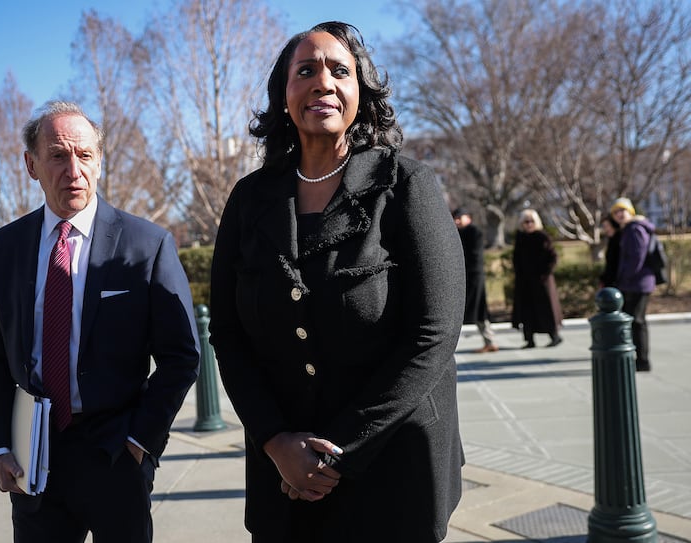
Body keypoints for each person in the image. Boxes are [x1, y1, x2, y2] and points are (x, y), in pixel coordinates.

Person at [208, 21, 465, 542]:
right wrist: (276, 441)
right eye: (305, 71)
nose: (322, 82)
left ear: (360, 96)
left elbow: (434, 334)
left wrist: (337, 451)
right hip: (283, 478)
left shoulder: (406, 184)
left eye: (339, 71)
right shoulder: (249, 199)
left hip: (392, 466)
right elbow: (228, 333)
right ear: (284, 97)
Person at [0, 100, 200, 542]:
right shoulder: (1, 250)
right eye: (57, 155)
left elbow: (181, 357)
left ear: (100, 162)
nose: (73, 169)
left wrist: (140, 443)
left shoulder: (147, 245)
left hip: (116, 451)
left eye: (85, 155)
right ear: (31, 165)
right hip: (32, 456)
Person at [611, 197, 656, 372]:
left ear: (631, 212)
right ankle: (637, 357)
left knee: (637, 321)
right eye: (616, 212)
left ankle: (643, 360)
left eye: (622, 210)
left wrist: (625, 278)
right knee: (634, 321)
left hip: (638, 283)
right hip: (635, 282)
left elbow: (637, 256)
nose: (619, 214)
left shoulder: (636, 228)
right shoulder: (628, 229)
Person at [511, 209, 563, 348]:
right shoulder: (520, 238)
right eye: (526, 221)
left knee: (546, 309)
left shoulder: (542, 236)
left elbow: (552, 257)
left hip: (542, 281)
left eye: (531, 221)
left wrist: (545, 273)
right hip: (525, 282)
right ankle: (529, 339)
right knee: (527, 311)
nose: (528, 224)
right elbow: (516, 258)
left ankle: (554, 335)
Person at [452, 207, 499, 353]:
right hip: (462, 276)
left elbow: (474, 256)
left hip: (473, 276)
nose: (457, 221)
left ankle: (489, 341)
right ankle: (489, 340)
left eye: (460, 217)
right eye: (455, 218)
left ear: (469, 218)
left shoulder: (474, 233)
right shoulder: (455, 233)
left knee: (477, 309)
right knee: (476, 310)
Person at [599, 214, 620, 288]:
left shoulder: (620, 239)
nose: (605, 229)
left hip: (618, 282)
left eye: (606, 226)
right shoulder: (611, 240)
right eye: (603, 227)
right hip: (610, 282)